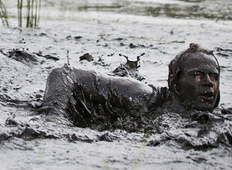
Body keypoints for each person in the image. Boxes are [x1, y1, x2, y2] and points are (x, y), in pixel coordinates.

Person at [42, 44, 221, 126]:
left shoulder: (216, 118)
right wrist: (53, 117)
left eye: (214, 77)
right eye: (197, 75)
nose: (208, 83)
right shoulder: (140, 96)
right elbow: (63, 74)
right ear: (174, 81)